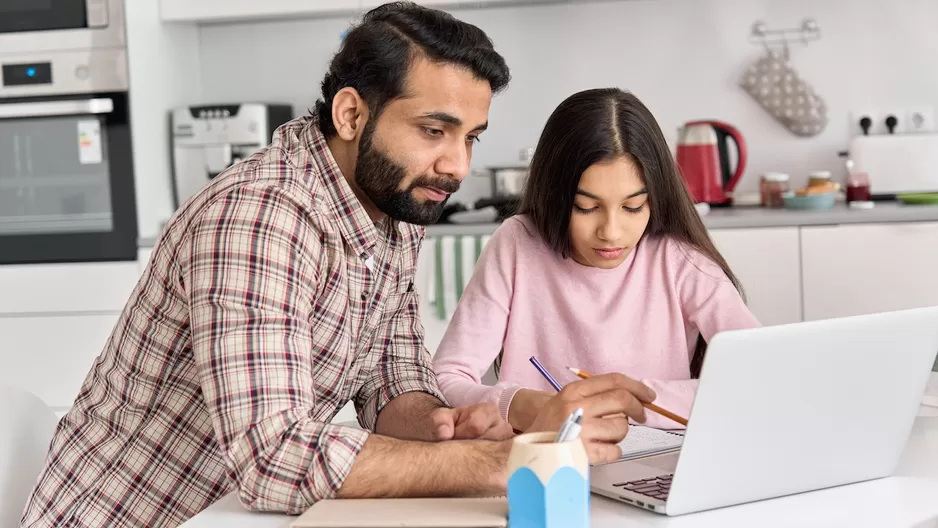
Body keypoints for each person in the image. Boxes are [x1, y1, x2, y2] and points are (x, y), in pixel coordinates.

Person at [20, 6, 655, 528]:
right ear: (352, 114)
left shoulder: (392, 207)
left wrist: (442, 426)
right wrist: (501, 461)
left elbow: (389, 381)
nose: (458, 166)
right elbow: (274, 460)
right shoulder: (259, 218)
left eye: (471, 137)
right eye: (435, 130)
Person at [432, 88, 761, 434]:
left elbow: (758, 370)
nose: (612, 232)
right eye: (586, 207)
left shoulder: (677, 257)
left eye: (633, 207)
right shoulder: (518, 243)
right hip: (549, 462)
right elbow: (446, 377)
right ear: (556, 196)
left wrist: (627, 400)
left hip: (657, 458)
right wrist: (518, 404)